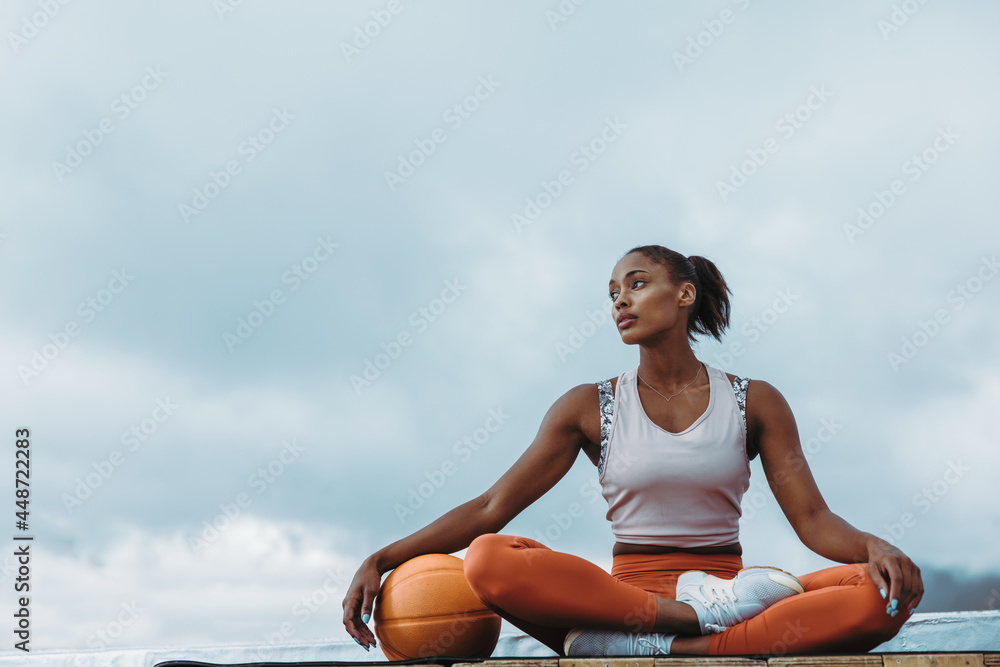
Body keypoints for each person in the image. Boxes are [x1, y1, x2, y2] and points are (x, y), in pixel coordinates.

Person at [342, 244, 923, 656]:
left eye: (638, 283)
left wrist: (875, 545)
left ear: (685, 294)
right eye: (614, 292)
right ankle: (691, 629)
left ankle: (670, 647)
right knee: (490, 558)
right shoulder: (587, 406)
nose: (621, 299)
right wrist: (383, 556)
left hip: (728, 589)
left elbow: (815, 521)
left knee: (881, 597)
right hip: (617, 600)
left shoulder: (756, 401)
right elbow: (491, 508)